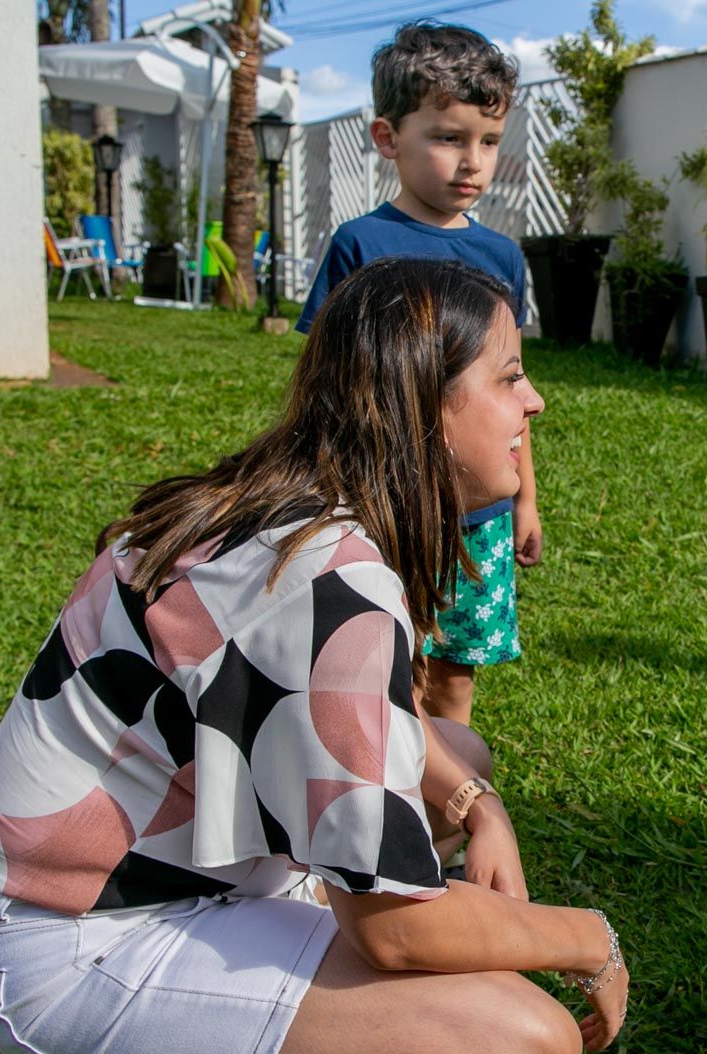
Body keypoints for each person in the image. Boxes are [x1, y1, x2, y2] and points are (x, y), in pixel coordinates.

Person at [0, 259, 628, 1054]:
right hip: (63, 948)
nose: (534, 401)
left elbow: (356, 709)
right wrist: (581, 935)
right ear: (426, 408)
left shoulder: (293, 510)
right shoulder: (333, 586)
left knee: (459, 750)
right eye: (509, 374)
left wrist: (477, 800)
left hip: (108, 888)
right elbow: (392, 929)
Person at [297, 22, 542, 731]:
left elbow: (512, 392)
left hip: (476, 520)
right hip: (381, 508)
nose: (472, 162)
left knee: (453, 684)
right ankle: (383, 813)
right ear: (386, 137)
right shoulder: (359, 246)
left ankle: (441, 832)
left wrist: (526, 501)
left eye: (489, 141)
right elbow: (327, 388)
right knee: (376, 668)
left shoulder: (502, 257)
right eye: (447, 137)